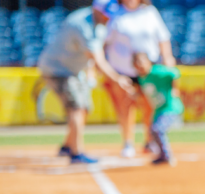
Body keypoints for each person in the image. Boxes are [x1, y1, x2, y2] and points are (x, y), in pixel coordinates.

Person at [37, 0, 134, 164]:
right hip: (57, 70)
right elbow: (97, 59)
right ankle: (76, 152)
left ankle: (68, 145)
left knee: (85, 109)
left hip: (74, 71)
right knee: (77, 108)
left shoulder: (100, 24)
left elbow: (93, 55)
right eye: (106, 14)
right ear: (96, 10)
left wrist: (90, 74)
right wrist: (117, 79)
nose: (108, 18)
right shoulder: (81, 24)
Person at [104, 0, 175, 158]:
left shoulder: (149, 12)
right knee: (126, 106)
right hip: (123, 70)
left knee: (150, 105)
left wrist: (168, 58)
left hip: (147, 71)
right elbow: (104, 41)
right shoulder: (114, 12)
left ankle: (150, 141)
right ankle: (128, 143)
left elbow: (163, 38)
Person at [133, 52, 183, 165]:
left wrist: (175, 89)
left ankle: (167, 156)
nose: (139, 65)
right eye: (137, 63)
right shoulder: (142, 78)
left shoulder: (157, 71)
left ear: (148, 62)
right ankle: (162, 155)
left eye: (141, 62)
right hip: (159, 109)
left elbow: (175, 72)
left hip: (171, 107)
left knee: (158, 129)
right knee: (153, 131)